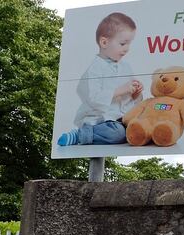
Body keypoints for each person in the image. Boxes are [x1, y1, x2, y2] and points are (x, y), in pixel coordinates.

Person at [58, 12, 143, 146]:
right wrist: (120, 90)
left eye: (129, 44)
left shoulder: (126, 67)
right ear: (104, 42)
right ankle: (80, 135)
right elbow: (93, 98)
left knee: (135, 128)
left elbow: (130, 99)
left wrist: (135, 95)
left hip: (122, 117)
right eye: (122, 44)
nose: (127, 49)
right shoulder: (95, 68)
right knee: (117, 134)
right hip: (100, 120)